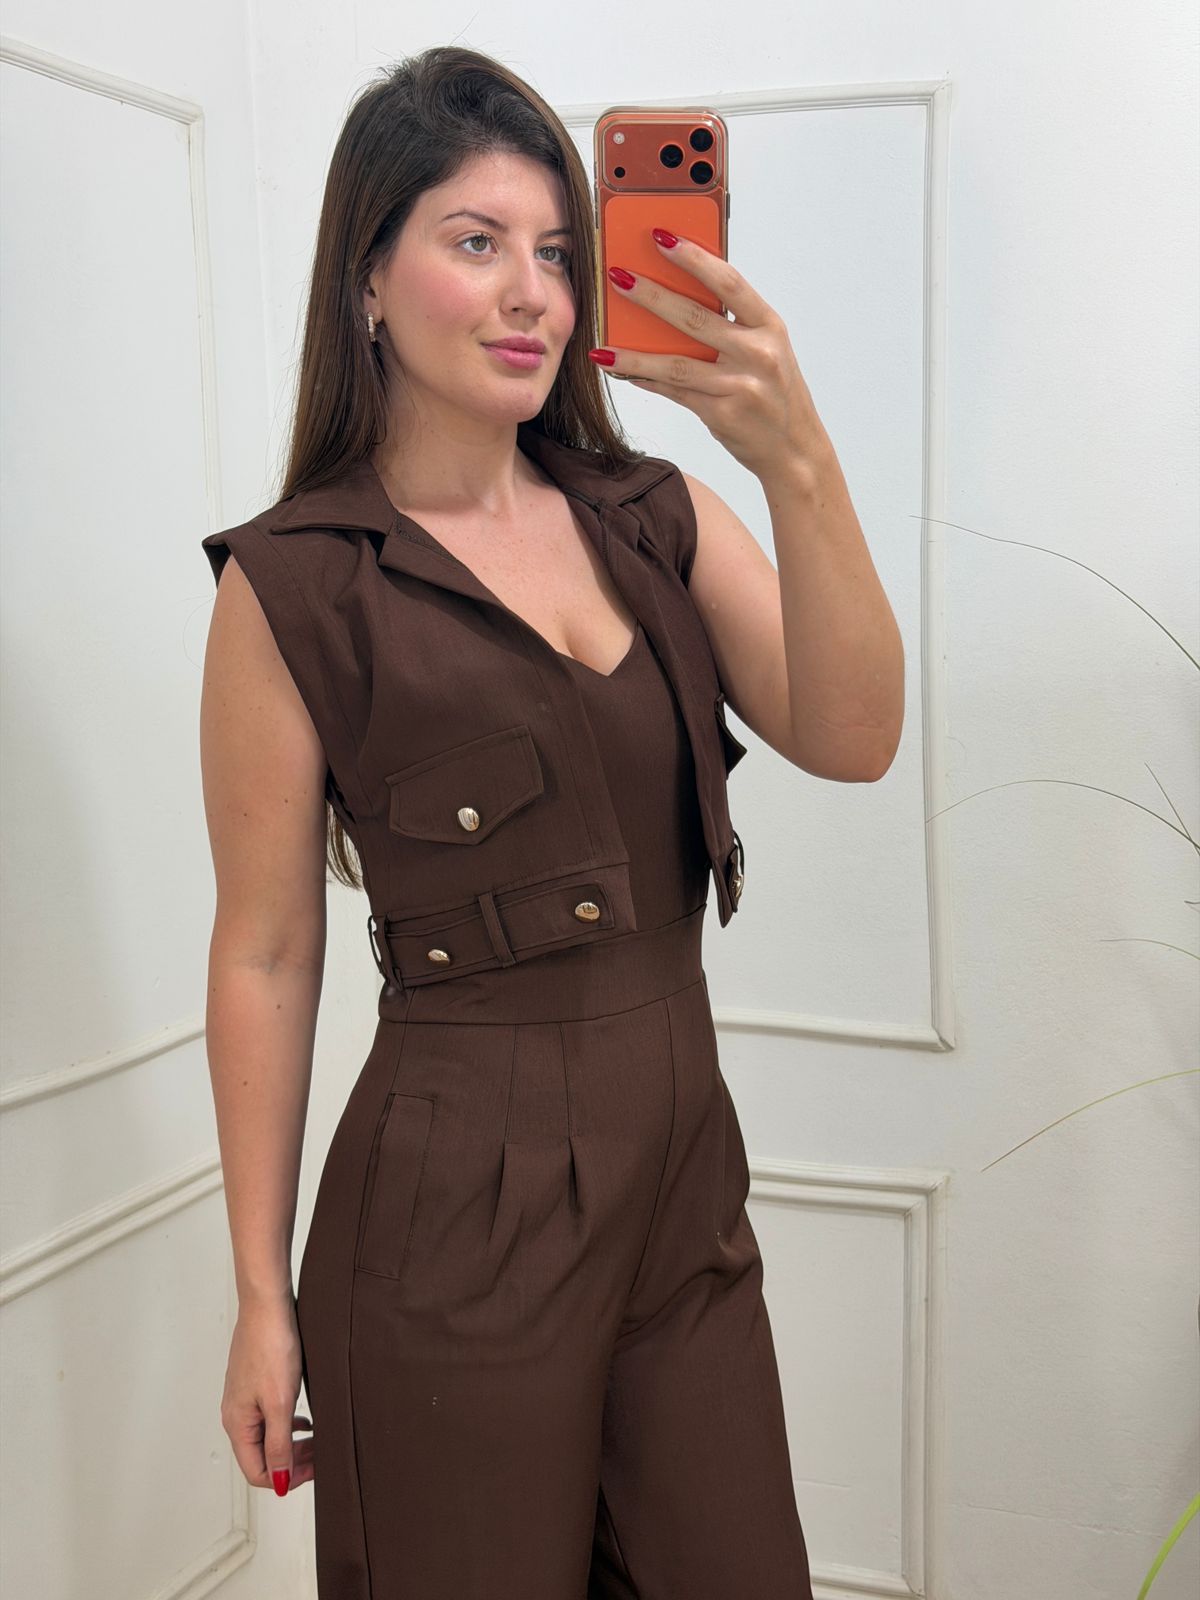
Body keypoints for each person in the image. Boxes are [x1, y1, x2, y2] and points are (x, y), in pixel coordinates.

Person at [200, 41, 901, 1600]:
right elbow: (263, 952)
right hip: (451, 1215)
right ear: (366, 281)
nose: (534, 293)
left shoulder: (654, 518)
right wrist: (258, 1294)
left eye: (561, 253)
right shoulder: (297, 587)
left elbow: (857, 737)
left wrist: (792, 455)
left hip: (682, 1196)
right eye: (477, 242)